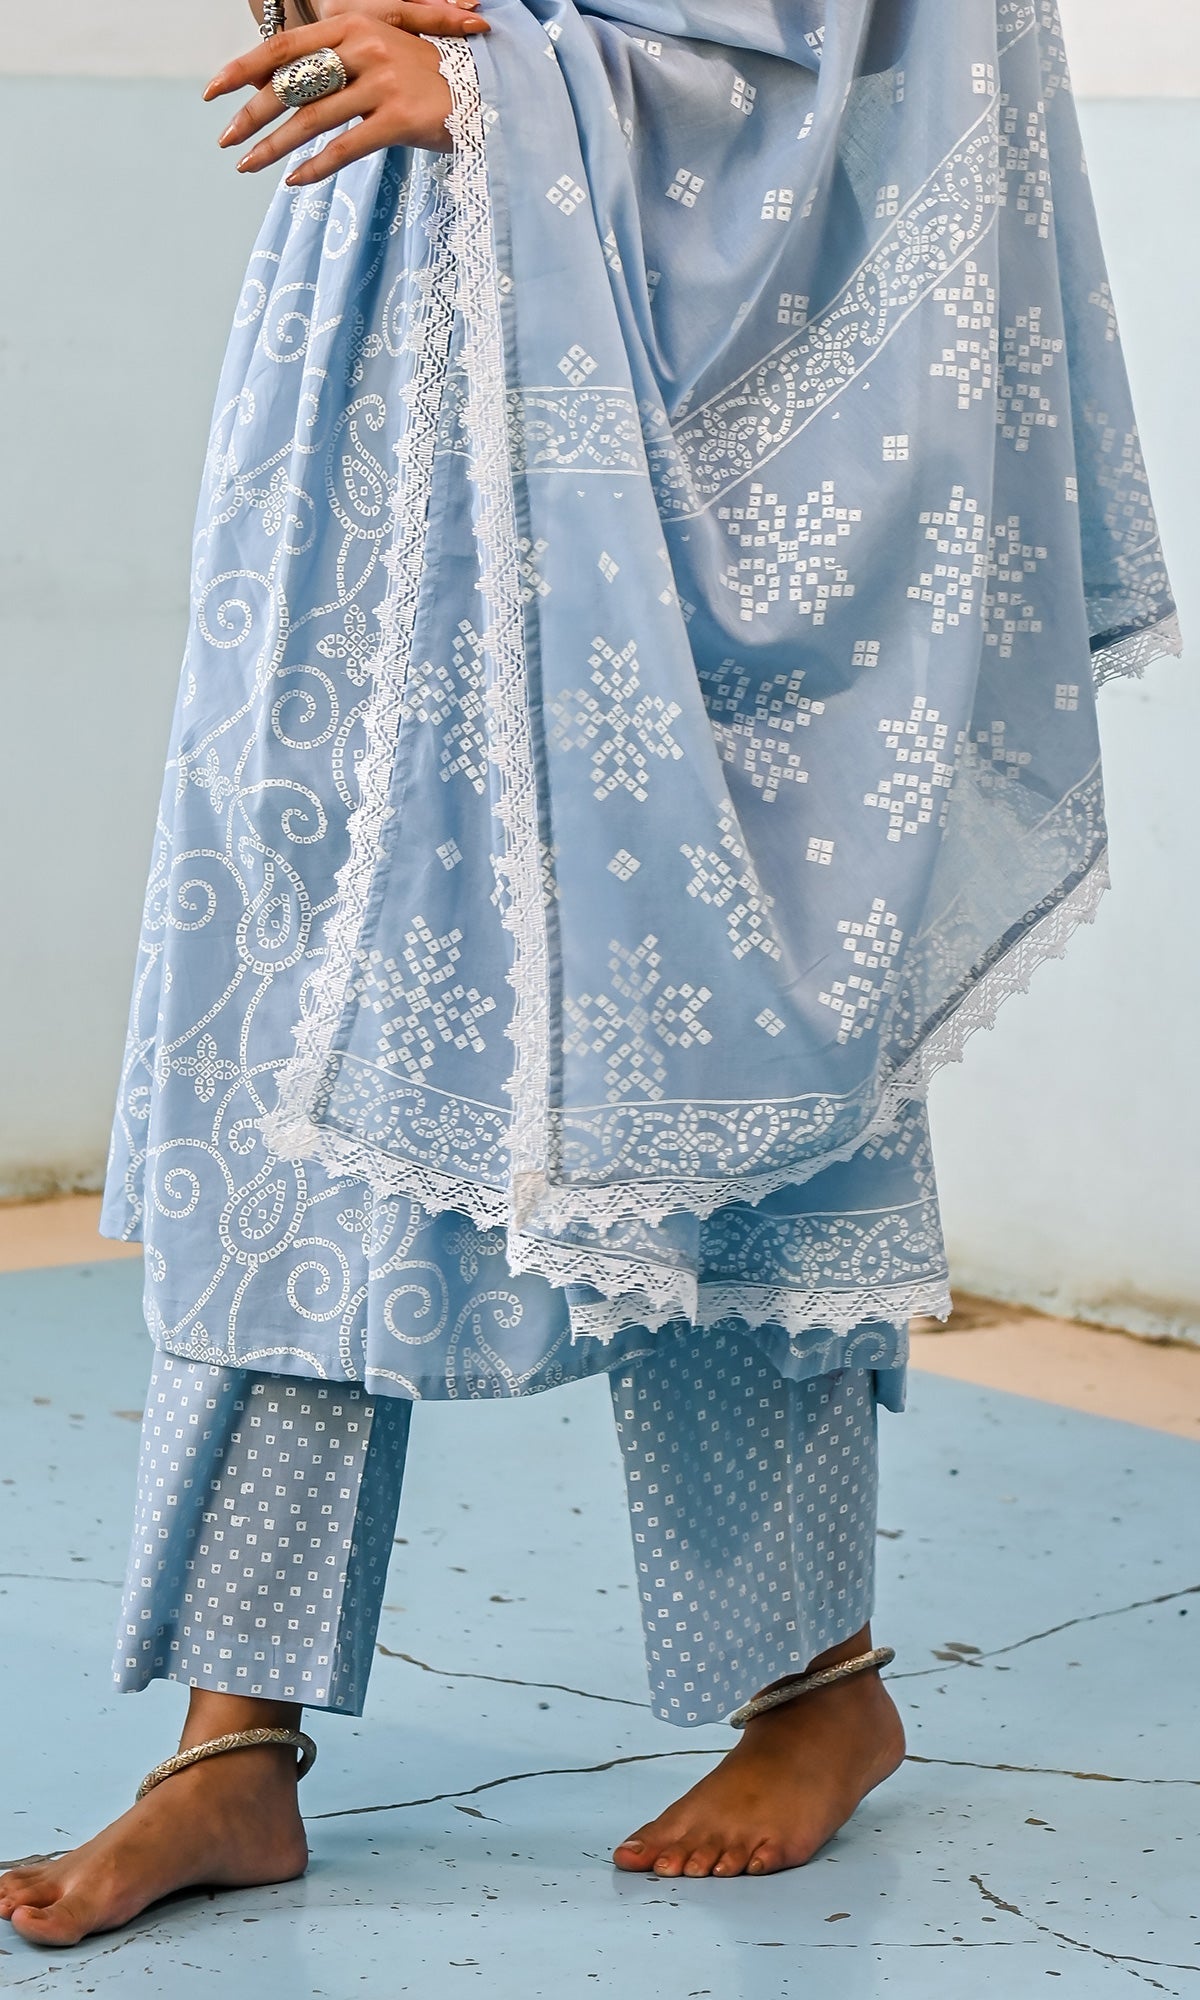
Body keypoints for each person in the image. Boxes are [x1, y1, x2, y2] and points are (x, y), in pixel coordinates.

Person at [0, 0, 1180, 1948]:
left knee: (714, 992)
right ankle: (231, 1732)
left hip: (661, 380)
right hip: (391, 329)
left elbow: (860, 37)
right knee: (290, 1007)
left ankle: (814, 1681)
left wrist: (513, 88)